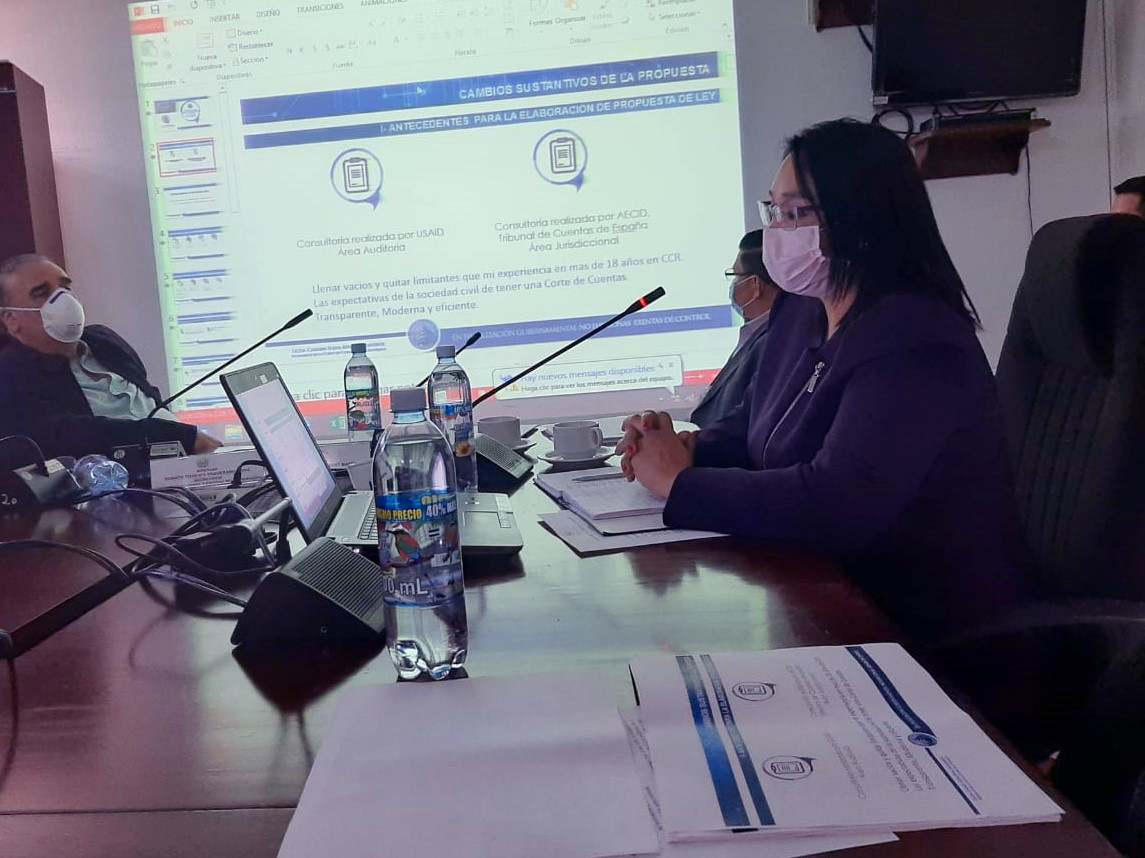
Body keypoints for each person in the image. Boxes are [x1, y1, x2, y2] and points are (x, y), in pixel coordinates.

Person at [616, 118, 1038, 643]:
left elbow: (839, 503)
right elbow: (756, 426)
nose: (778, 230)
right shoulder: (801, 310)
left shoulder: (914, 340)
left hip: (923, 625)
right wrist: (688, 448)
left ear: (862, 218)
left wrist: (680, 484)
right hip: (817, 589)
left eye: (795, 213)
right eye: (774, 210)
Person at [0, 253, 221, 459]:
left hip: (188, 464)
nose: (63, 299)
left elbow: (151, 402)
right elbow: (71, 436)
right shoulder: (11, 376)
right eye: (43, 293)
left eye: (65, 287)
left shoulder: (104, 341)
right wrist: (177, 437)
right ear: (11, 319)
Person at [689, 230, 781, 429]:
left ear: (755, 285)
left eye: (735, 276)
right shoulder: (755, 334)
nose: (733, 285)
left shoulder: (774, 341)